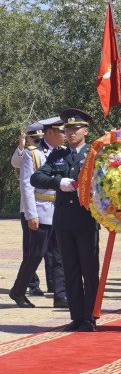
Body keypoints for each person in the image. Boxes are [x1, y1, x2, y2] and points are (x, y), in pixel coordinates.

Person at [31, 109, 100, 332]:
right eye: (67, 129)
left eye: (75, 128)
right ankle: (76, 316)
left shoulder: (94, 154)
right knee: (69, 270)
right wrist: (58, 182)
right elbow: (37, 177)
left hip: (86, 219)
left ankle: (90, 316)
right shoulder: (57, 155)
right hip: (63, 221)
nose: (70, 133)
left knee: (88, 270)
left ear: (86, 131)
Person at [9, 117, 67, 309]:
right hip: (40, 210)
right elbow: (27, 185)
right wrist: (31, 214)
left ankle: (60, 295)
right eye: (61, 131)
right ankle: (18, 291)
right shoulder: (32, 154)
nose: (65, 135)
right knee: (36, 254)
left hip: (57, 210)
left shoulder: (61, 153)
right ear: (49, 133)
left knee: (59, 255)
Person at [11, 126, 44, 295]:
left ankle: (57, 286)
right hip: (30, 210)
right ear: (30, 139)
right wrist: (22, 145)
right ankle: (32, 283)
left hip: (49, 209)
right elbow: (15, 163)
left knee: (52, 252)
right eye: (36, 140)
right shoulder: (27, 153)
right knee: (32, 250)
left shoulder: (47, 152)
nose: (39, 143)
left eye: (41, 139)